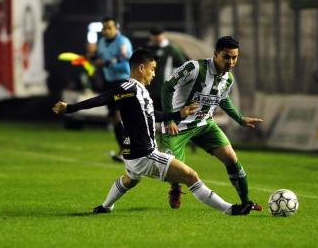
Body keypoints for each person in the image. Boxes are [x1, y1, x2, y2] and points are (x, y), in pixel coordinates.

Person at [52, 49, 261, 215]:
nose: (154, 74)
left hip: (132, 154)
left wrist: (178, 114)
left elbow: (152, 116)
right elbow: (102, 98)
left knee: (129, 180)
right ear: (141, 68)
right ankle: (230, 209)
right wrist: (70, 108)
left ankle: (105, 206)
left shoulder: (139, 91)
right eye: (152, 69)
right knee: (190, 175)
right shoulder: (128, 87)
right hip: (145, 154)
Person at [161, 36, 263, 209]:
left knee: (231, 158)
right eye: (226, 56)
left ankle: (246, 202)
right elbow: (167, 87)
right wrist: (170, 119)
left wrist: (240, 119)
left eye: (234, 57)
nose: (231, 61)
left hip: (205, 124)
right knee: (174, 169)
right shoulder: (194, 67)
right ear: (216, 54)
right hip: (178, 125)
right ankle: (175, 187)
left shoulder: (228, 79)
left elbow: (223, 99)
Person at [94, 16, 133, 162]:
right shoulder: (102, 42)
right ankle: (123, 150)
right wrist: (94, 58)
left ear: (117, 28)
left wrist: (107, 64)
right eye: (104, 28)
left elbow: (126, 65)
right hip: (109, 82)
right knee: (113, 117)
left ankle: (127, 150)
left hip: (123, 82)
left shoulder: (122, 42)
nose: (106, 31)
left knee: (119, 115)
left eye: (109, 27)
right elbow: (101, 60)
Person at [146, 27, 188, 111]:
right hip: (149, 89)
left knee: (167, 116)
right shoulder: (147, 49)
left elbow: (183, 66)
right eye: (154, 35)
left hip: (166, 89)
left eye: (158, 35)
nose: (156, 37)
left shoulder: (172, 50)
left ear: (164, 34)